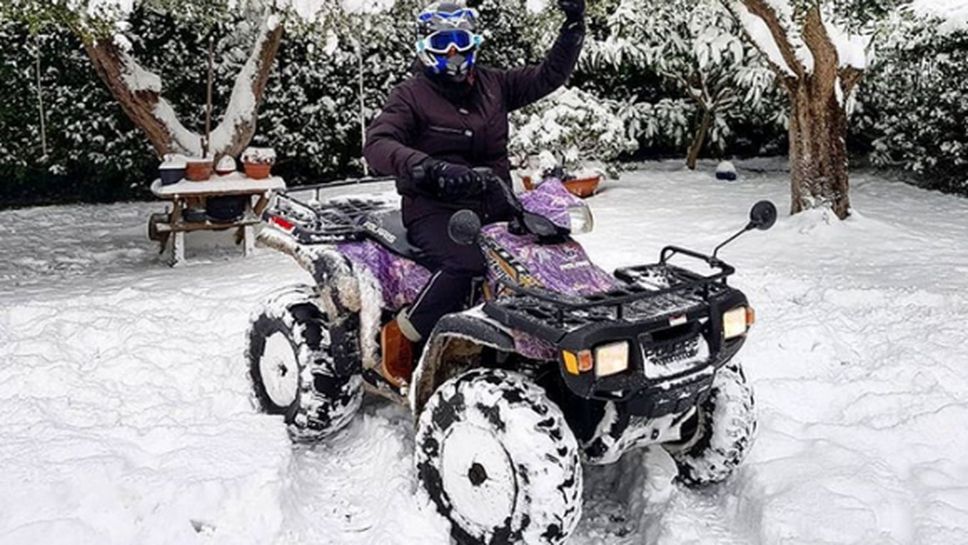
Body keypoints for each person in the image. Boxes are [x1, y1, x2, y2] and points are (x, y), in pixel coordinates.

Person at [363, 0, 586, 348]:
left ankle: (551, 333)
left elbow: (548, 76)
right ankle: (402, 339)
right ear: (424, 47)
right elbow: (377, 144)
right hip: (435, 207)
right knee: (465, 264)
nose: (452, 51)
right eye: (442, 42)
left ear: (474, 42)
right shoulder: (410, 95)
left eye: (460, 40)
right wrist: (428, 167)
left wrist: (572, 28)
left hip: (495, 200)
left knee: (542, 254)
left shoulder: (494, 84)